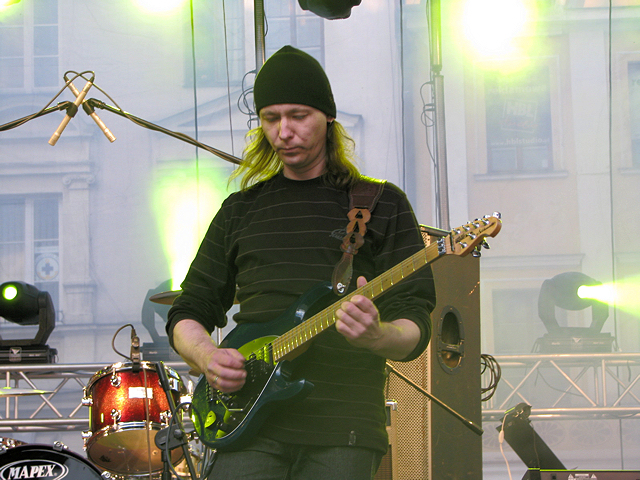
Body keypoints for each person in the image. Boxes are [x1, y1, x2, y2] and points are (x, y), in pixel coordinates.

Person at [166, 45, 436, 479]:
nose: (284, 131)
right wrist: (207, 356)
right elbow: (188, 310)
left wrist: (377, 335)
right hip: (248, 428)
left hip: (342, 428)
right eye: (271, 118)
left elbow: (415, 324)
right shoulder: (240, 210)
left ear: (327, 117)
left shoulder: (381, 204)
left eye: (298, 116)